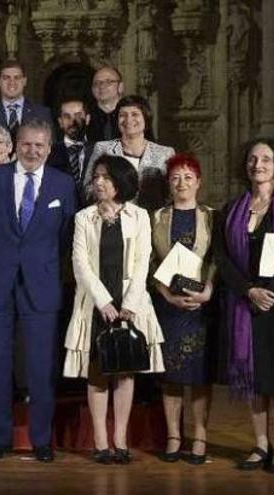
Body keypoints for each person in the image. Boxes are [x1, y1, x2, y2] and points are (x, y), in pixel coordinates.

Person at [0, 119, 77, 463]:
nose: (32, 151)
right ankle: (0, 438)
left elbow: (66, 237)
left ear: (49, 148)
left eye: (40, 145)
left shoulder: (63, 184)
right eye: (27, 144)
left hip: (42, 286)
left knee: (41, 366)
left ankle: (42, 440)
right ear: (16, 144)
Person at [63, 154, 165, 465]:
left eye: (106, 177)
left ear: (120, 181)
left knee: (124, 371)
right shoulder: (84, 218)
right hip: (96, 304)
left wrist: (129, 304)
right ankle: (101, 441)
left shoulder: (139, 216)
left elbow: (142, 262)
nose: (99, 182)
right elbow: (80, 264)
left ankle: (120, 439)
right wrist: (103, 301)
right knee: (97, 373)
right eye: (96, 177)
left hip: (130, 304)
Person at [150, 153, 216, 465]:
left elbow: (218, 258)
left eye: (188, 177)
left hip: (201, 306)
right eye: (176, 177)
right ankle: (174, 436)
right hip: (169, 306)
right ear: (169, 182)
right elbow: (148, 261)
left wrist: (208, 292)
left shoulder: (211, 216)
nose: (182, 183)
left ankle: (200, 436)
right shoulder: (157, 217)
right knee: (172, 374)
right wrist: (166, 295)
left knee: (199, 375)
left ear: (199, 182)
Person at [212, 138, 274, 471]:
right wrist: (249, 290)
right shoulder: (232, 209)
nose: (259, 165)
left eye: (266, 159)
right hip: (246, 303)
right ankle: (261, 445)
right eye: (253, 159)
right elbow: (222, 258)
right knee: (256, 379)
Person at [87, 95, 175, 211]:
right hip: (113, 217)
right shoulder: (103, 148)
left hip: (152, 219)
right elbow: (88, 188)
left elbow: (172, 192)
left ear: (146, 118)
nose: (128, 120)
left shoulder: (165, 153)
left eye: (135, 114)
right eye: (122, 115)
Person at [46, 98, 94, 203]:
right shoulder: (48, 153)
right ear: (60, 122)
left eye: (78, 115)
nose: (73, 121)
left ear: (87, 118)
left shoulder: (99, 150)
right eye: (66, 116)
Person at [0, 60, 53, 141]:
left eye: (17, 77)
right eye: (6, 78)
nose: (12, 82)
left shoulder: (42, 113)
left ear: (24, 81)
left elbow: (50, 147)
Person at [87, 66, 125, 143]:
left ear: (120, 87)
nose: (101, 86)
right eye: (96, 83)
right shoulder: (85, 115)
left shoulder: (134, 113)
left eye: (108, 82)